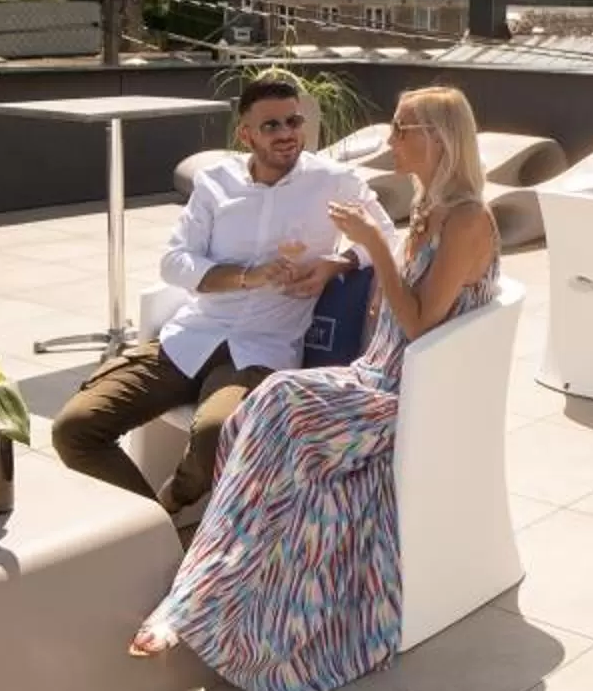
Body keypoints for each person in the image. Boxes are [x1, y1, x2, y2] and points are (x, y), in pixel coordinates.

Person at [129, 84, 501, 691]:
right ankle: (232, 581)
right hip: (379, 373)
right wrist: (348, 262)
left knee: (275, 402)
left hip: (415, 391)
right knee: (257, 411)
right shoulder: (427, 208)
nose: (390, 139)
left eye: (402, 128)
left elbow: (420, 327)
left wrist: (375, 248)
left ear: (437, 139)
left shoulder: (467, 219)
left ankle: (203, 597)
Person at [50, 72, 375, 514]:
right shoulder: (215, 183)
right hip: (192, 337)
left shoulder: (333, 181)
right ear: (245, 134)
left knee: (215, 437)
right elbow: (174, 262)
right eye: (271, 126)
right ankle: (153, 531)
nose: (286, 135)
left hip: (264, 348)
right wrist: (247, 276)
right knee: (74, 428)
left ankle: (174, 502)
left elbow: (386, 238)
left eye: (293, 122)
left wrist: (336, 263)